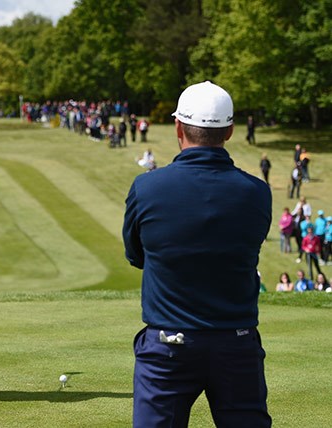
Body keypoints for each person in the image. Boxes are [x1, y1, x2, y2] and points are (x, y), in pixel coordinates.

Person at [123, 81, 272, 427]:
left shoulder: (147, 187)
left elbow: (136, 256)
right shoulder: (257, 193)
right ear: (230, 130)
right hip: (238, 346)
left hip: (167, 347)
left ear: (178, 127)